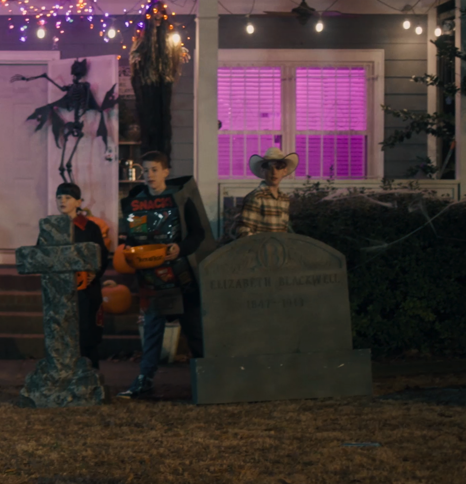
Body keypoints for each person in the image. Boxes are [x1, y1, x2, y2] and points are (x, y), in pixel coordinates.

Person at [116, 151, 216, 399]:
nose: (149, 175)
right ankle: (145, 380)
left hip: (182, 277)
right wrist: (129, 248)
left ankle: (207, 380)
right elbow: (133, 236)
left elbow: (198, 233)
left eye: (154, 170)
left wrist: (180, 248)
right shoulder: (136, 201)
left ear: (165, 171)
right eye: (145, 171)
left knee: (194, 330)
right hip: (151, 279)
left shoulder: (180, 199)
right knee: (152, 331)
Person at [54, 183, 111, 370]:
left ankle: (90, 373)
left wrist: (94, 274)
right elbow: (42, 254)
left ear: (78, 202)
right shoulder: (52, 227)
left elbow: (101, 256)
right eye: (59, 197)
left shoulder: (90, 228)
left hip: (86, 290)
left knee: (87, 333)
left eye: (67, 198)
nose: (62, 201)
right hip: (61, 291)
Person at [236, 147, 299, 237]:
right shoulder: (257, 197)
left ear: (284, 171)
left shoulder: (284, 199)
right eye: (269, 167)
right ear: (263, 171)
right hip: (261, 249)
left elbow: (284, 231)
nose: (274, 172)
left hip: (279, 250)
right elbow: (243, 231)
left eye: (278, 167)